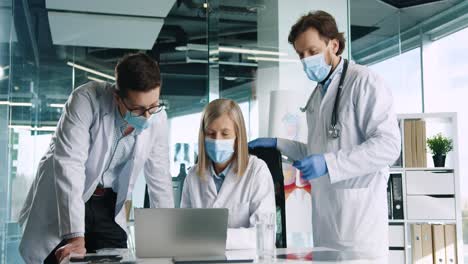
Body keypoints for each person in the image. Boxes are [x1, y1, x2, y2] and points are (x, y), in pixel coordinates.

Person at [249, 11, 401, 258]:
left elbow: (389, 146)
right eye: (300, 54)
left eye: (312, 51)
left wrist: (328, 164)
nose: (306, 59)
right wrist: (279, 144)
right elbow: (317, 153)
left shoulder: (365, 83)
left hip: (359, 231)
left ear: (334, 44)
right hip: (325, 227)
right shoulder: (318, 94)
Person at [18, 53, 174, 264]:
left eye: (153, 106)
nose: (147, 116)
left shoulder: (157, 117)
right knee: (61, 257)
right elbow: (70, 166)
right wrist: (75, 237)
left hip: (108, 205)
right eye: (137, 109)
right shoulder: (85, 100)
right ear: (117, 97)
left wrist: (169, 238)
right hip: (68, 198)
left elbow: (160, 178)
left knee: (118, 258)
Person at [180, 99, 275, 249]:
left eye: (225, 134)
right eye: (211, 133)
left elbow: (262, 236)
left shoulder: (257, 171)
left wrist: (213, 237)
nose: (217, 140)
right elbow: (185, 230)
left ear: (238, 136)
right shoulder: (193, 176)